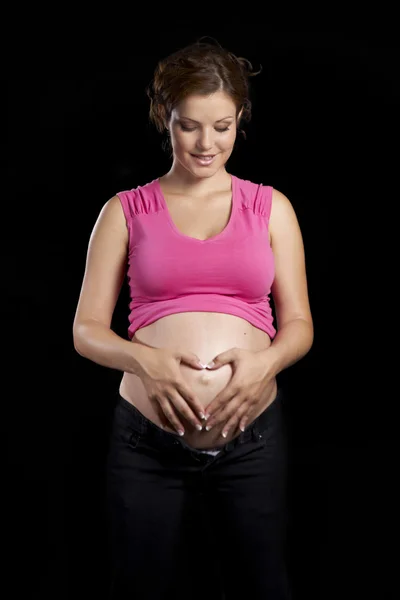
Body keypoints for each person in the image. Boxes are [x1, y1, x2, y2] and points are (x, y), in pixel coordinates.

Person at [72, 36, 314, 600]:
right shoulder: (124, 211)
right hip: (145, 443)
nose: (207, 143)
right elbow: (85, 330)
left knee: (264, 587)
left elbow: (300, 323)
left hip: (252, 435)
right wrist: (147, 361)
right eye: (189, 125)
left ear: (239, 122)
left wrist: (264, 365)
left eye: (222, 126)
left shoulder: (271, 207)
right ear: (166, 117)